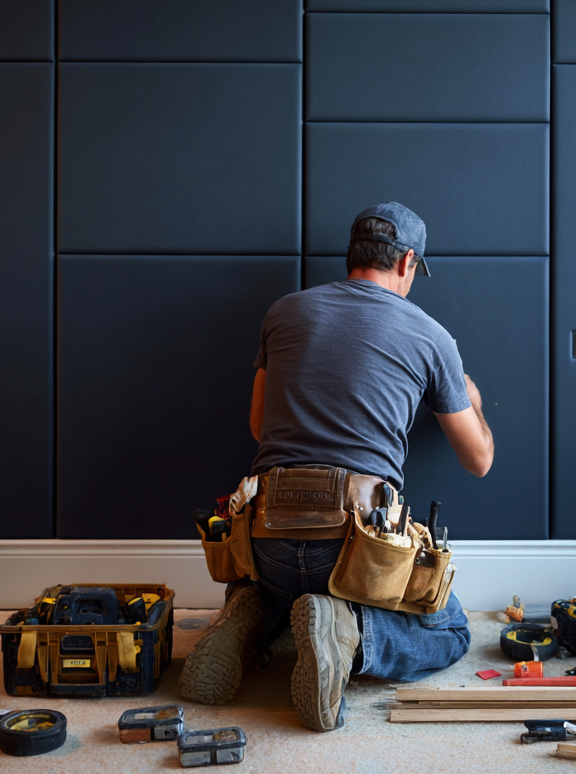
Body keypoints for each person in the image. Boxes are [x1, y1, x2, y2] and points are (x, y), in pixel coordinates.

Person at [181, 202, 494, 731]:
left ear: (354, 254)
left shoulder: (283, 313)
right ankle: (351, 631)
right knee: (452, 628)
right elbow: (478, 459)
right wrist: (470, 397)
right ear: (408, 261)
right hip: (354, 549)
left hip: (266, 541)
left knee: (282, 592)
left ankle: (249, 619)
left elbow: (259, 427)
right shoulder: (431, 336)